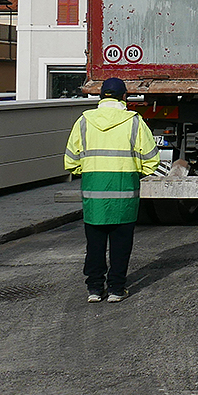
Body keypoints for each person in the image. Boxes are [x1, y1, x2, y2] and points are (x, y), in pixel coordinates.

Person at [64, 78, 159, 303]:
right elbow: (151, 159)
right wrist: (137, 172)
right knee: (121, 245)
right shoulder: (134, 121)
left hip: (94, 193)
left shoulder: (84, 122)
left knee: (94, 245)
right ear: (123, 97)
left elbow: (71, 160)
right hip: (124, 193)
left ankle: (95, 289)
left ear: (101, 96)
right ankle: (117, 289)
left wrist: (87, 170)